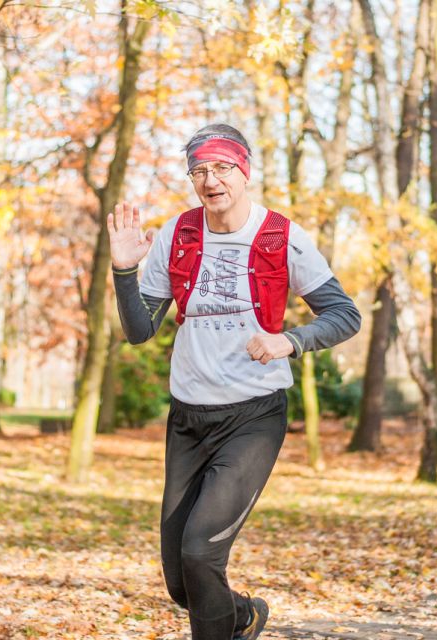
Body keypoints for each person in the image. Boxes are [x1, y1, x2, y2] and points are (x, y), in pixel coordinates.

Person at [106, 124, 361, 640]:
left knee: (201, 553)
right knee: (182, 582)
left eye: (222, 168)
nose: (210, 179)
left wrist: (290, 341)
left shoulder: (282, 237)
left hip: (252, 415)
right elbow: (139, 331)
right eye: (199, 170)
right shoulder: (178, 235)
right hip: (188, 419)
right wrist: (123, 271)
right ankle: (243, 616)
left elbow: (345, 314)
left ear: (243, 171)